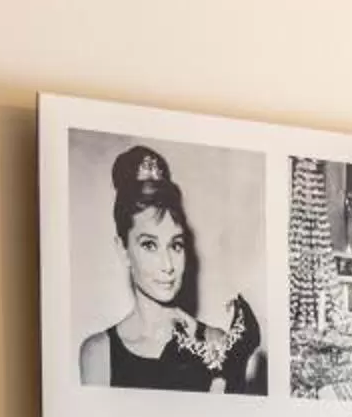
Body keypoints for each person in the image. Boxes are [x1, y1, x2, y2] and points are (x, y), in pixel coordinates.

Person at [78, 145, 265, 394]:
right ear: (123, 250)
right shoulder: (98, 353)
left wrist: (223, 377)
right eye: (149, 245)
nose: (167, 266)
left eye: (175, 245)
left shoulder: (216, 343)